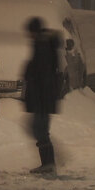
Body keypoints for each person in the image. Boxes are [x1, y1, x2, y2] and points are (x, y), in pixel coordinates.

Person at [23, 16, 62, 176]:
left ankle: (49, 163)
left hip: (42, 96)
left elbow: (42, 73)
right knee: (39, 129)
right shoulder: (43, 44)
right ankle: (48, 163)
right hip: (43, 96)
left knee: (39, 129)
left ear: (34, 31)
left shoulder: (42, 45)